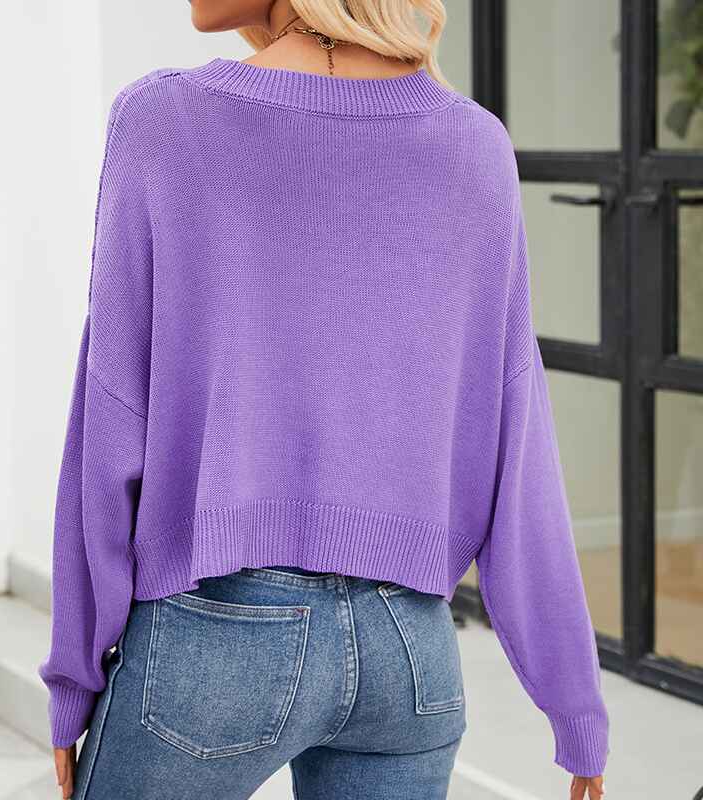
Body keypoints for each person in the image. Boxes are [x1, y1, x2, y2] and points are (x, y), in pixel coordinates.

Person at [38, 1, 610, 798]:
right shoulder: (475, 145)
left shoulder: (164, 121)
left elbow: (109, 418)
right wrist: (575, 705)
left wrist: (74, 675)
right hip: (410, 652)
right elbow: (518, 440)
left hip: (215, 640)